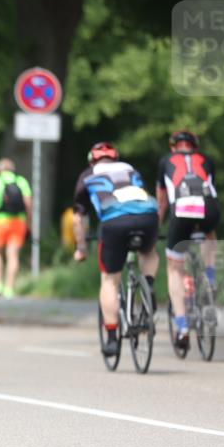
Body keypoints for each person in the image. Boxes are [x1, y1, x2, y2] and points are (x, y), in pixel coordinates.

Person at [71, 142, 159, 357]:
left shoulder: (87, 175)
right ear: (115, 158)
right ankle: (148, 289)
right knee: (149, 252)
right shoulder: (130, 169)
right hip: (148, 215)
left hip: (114, 221)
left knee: (110, 279)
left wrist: (81, 247)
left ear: (92, 160)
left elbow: (78, 218)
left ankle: (111, 338)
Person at [156, 130, 219, 351]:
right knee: (209, 233)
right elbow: (210, 191)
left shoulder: (165, 161)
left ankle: (181, 327)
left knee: (175, 268)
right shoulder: (207, 160)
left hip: (182, 211)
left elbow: (162, 200)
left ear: (173, 147)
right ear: (195, 147)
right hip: (208, 209)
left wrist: (157, 226)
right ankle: (210, 277)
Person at [0, 158, 31, 299]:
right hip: (18, 221)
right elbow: (28, 204)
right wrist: (28, 222)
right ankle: (9, 288)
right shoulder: (21, 181)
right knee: (13, 254)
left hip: (1, 221)